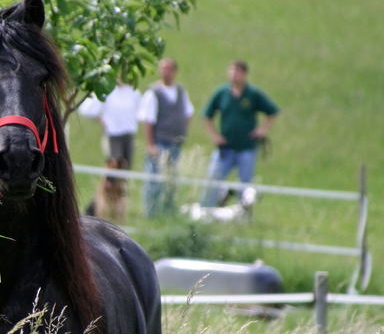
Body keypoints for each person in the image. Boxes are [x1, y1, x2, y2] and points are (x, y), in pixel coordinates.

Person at [201, 60, 279, 207]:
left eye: (237, 71)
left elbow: (272, 111)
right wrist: (215, 136)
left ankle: (242, 214)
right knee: (213, 178)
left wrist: (261, 130)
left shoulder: (252, 94)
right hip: (225, 147)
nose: (233, 75)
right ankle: (206, 209)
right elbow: (207, 115)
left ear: (244, 74)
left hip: (246, 147)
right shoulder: (222, 93)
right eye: (231, 71)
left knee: (245, 183)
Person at [137, 57, 194, 217]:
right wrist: (150, 144)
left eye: (169, 69)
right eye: (163, 68)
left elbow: (188, 113)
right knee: (154, 179)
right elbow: (148, 120)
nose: (165, 72)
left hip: (175, 142)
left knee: (171, 180)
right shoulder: (153, 92)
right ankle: (151, 213)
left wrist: (181, 130)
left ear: (175, 71)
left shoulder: (181, 91)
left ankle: (168, 211)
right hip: (159, 141)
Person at [78, 80, 142, 167]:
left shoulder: (133, 92)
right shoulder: (108, 90)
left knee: (126, 166)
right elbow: (87, 109)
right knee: (114, 165)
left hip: (128, 135)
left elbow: (140, 112)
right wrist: (101, 120)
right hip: (113, 135)